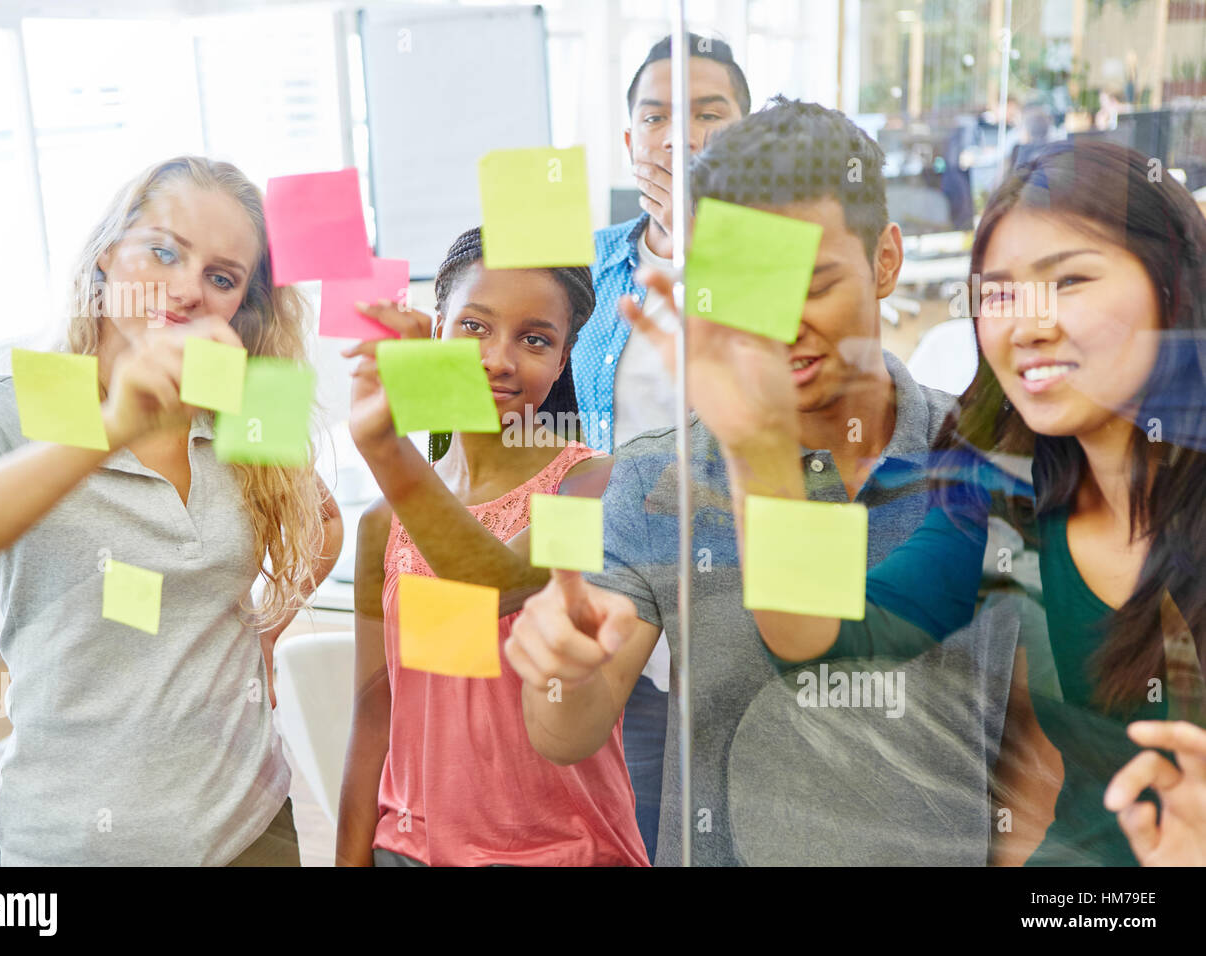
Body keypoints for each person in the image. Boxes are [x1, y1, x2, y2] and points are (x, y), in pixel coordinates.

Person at [632, 140, 1206, 866]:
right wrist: (762, 450)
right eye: (997, 294)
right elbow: (825, 637)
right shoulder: (1007, 486)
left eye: (1070, 281)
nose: (1027, 325)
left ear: (1172, 287)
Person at [506, 98, 977, 866]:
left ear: (886, 260)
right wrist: (561, 672)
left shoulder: (983, 462)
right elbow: (566, 733)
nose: (784, 324)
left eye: (816, 282)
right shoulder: (659, 479)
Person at [0, 156, 344, 865]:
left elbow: (323, 522)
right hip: (72, 846)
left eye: (222, 277)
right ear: (107, 252)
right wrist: (115, 420)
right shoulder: (15, 401)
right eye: (164, 251)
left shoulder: (241, 398)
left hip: (251, 824)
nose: (185, 289)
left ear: (242, 305)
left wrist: (263, 639)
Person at [335, 227, 648, 867]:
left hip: (562, 852)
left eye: (535, 339)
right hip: (409, 850)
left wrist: (385, 448)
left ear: (563, 361)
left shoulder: (599, 486)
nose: (499, 359)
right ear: (437, 329)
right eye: (475, 328)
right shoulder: (381, 524)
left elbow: (495, 581)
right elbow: (374, 719)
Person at [572, 31, 750, 861]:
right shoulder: (601, 262)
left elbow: (772, 390)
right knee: (649, 837)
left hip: (749, 611)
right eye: (657, 117)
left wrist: (701, 230)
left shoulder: (774, 255)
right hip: (633, 609)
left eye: (709, 114)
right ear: (629, 141)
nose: (680, 136)